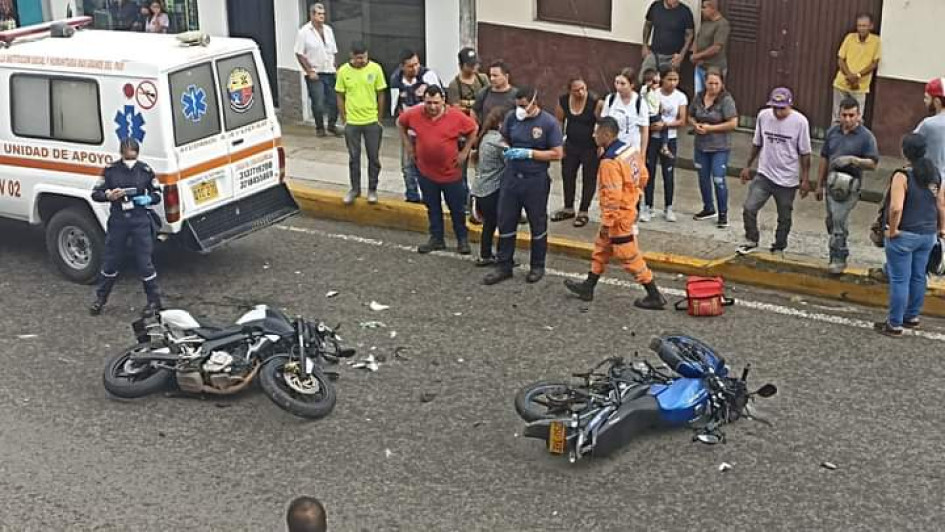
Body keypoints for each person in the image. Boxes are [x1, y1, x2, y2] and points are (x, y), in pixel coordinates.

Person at [564, 117, 667, 310]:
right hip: (627, 211)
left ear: (606, 134)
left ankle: (654, 295)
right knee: (601, 250)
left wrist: (608, 221)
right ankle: (588, 287)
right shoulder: (629, 151)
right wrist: (633, 196)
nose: (593, 135)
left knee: (629, 256)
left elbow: (611, 195)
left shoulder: (609, 162)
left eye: (596, 132)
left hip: (618, 218)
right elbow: (644, 176)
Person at [482, 86, 564, 285]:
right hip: (512, 178)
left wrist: (530, 154)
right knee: (506, 221)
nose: (520, 109)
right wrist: (507, 149)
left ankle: (537, 265)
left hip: (535, 180)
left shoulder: (548, 123)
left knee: (537, 222)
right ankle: (504, 265)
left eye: (524, 106)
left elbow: (557, 153)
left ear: (534, 103)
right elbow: (504, 138)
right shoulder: (512, 118)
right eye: (518, 105)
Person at [873, 134, 945, 337]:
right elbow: (941, 204)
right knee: (919, 276)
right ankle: (912, 316)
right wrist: (942, 228)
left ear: (904, 151)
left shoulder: (902, 175)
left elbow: (896, 207)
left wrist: (893, 230)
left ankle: (894, 323)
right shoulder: (934, 174)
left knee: (899, 279)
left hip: (905, 234)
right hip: (927, 235)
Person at [397, 85, 477, 255]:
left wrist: (465, 152)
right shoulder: (414, 114)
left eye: (436, 103)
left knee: (457, 209)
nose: (432, 107)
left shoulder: (456, 116)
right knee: (432, 207)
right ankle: (436, 238)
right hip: (426, 172)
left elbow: (473, 129)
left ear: (443, 101)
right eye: (428, 103)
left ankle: (462, 239)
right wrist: (408, 146)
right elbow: (400, 123)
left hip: (451, 173)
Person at [89, 138, 163, 316]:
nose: (130, 159)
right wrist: (108, 196)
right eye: (127, 155)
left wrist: (148, 199)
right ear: (121, 153)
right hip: (118, 220)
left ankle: (154, 301)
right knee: (111, 261)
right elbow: (95, 193)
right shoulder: (111, 170)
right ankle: (100, 299)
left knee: (144, 263)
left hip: (139, 220)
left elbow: (157, 194)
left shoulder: (145, 170)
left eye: (133, 156)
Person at [737, 87, 812, 255]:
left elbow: (805, 154)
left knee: (784, 216)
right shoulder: (763, 116)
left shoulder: (800, 122)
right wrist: (748, 165)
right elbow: (757, 143)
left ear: (790, 105)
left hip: (787, 179)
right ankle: (751, 238)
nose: (778, 112)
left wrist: (805, 179)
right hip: (765, 174)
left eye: (782, 108)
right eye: (775, 108)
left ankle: (779, 245)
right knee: (749, 208)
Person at [815, 97, 879, 274]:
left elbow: (873, 163)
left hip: (850, 186)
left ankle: (838, 258)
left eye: (852, 115)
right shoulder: (832, 132)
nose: (848, 119)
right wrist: (819, 184)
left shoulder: (866, 137)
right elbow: (824, 158)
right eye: (844, 115)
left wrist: (854, 160)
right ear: (839, 115)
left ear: (858, 115)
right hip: (831, 183)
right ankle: (836, 242)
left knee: (839, 221)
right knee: (832, 220)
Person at [335, 41, 387, 206]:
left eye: (364, 57)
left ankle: (372, 189)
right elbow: (340, 95)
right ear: (351, 56)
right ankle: (355, 189)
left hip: (372, 121)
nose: (362, 61)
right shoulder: (343, 71)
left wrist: (379, 119)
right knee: (354, 157)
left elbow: (381, 93)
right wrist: (344, 119)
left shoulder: (376, 69)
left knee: (374, 158)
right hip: (352, 123)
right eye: (358, 58)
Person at [390, 49, 442, 204]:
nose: (415, 68)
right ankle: (412, 195)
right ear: (402, 67)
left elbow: (440, 102)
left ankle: (430, 196)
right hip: (408, 130)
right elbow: (395, 107)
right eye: (410, 66)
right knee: (407, 165)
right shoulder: (396, 80)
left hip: (427, 130)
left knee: (428, 165)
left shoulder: (428, 76)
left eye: (416, 64)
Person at [689, 68, 738, 228]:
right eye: (710, 83)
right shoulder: (699, 97)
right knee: (703, 178)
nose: (713, 87)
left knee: (718, 178)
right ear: (705, 82)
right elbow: (690, 115)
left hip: (719, 146)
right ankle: (708, 207)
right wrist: (695, 125)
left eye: (716, 83)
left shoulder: (726, 100)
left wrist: (711, 128)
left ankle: (723, 213)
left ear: (722, 83)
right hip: (701, 145)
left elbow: (733, 123)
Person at [552, 77, 600, 228]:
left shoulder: (594, 101)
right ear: (570, 91)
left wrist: (600, 143)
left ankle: (584, 211)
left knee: (589, 178)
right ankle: (568, 208)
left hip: (590, 147)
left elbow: (601, 122)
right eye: (576, 90)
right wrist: (559, 143)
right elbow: (559, 121)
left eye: (583, 89)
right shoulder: (563, 101)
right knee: (567, 175)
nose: (581, 92)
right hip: (571, 144)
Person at [642, 67, 687, 223]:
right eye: (669, 79)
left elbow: (682, 120)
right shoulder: (654, 93)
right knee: (649, 173)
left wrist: (666, 125)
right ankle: (648, 206)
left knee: (668, 174)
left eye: (675, 80)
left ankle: (668, 207)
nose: (672, 83)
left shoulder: (680, 97)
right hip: (652, 138)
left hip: (670, 138)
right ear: (662, 79)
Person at [470, 106, 510, 266]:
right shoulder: (499, 142)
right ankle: (503, 256)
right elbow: (510, 162)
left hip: (481, 189)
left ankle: (485, 254)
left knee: (489, 224)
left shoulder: (485, 137)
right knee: (504, 225)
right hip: (493, 190)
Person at [294, 3, 341, 138]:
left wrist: (336, 68)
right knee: (318, 102)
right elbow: (299, 53)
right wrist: (309, 71)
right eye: (319, 14)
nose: (322, 16)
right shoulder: (304, 32)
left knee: (334, 101)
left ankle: (332, 125)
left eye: (323, 14)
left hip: (329, 70)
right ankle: (320, 128)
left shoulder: (328, 30)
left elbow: (333, 52)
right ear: (312, 15)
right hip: (315, 72)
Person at [832, 13, 881, 122]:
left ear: (871, 26)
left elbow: (874, 63)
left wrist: (857, 76)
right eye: (859, 26)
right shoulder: (850, 37)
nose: (861, 29)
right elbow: (840, 59)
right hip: (842, 83)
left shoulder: (876, 41)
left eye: (864, 26)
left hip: (860, 86)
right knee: (837, 117)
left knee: (857, 118)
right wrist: (850, 76)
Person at [598, 67, 650, 155]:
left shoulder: (639, 102)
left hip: (632, 149)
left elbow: (644, 131)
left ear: (632, 85)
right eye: (617, 82)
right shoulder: (611, 99)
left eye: (623, 84)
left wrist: (643, 154)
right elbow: (604, 123)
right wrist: (601, 146)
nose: (618, 87)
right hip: (612, 149)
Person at [641, 0, 695, 82]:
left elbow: (690, 35)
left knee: (668, 84)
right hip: (653, 54)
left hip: (672, 57)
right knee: (645, 81)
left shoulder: (685, 11)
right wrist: (645, 45)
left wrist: (681, 56)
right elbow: (648, 25)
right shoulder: (655, 6)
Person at [690, 0, 730, 97]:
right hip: (700, 66)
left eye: (704, 8)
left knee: (713, 95)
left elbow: (716, 47)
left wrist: (697, 56)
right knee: (698, 95)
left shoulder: (722, 24)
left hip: (714, 68)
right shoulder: (706, 22)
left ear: (712, 9)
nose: (702, 10)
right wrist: (695, 55)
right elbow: (698, 39)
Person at [914, 77, 945, 181]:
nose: (924, 101)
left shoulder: (929, 124)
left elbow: (911, 145)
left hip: (932, 179)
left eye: (927, 98)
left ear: (937, 101)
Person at [446, 47, 490, 119]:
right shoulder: (454, 85)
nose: (474, 66)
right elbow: (456, 109)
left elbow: (489, 99)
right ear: (461, 65)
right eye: (470, 64)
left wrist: (467, 104)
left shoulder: (483, 79)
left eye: (476, 63)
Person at [640, 69, 670, 161]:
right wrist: (652, 81)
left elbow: (657, 102)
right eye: (655, 82)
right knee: (663, 127)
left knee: (662, 127)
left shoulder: (656, 92)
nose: (657, 84)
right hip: (649, 115)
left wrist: (661, 107)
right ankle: (663, 147)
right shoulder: (645, 90)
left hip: (655, 114)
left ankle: (664, 146)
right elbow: (647, 88)